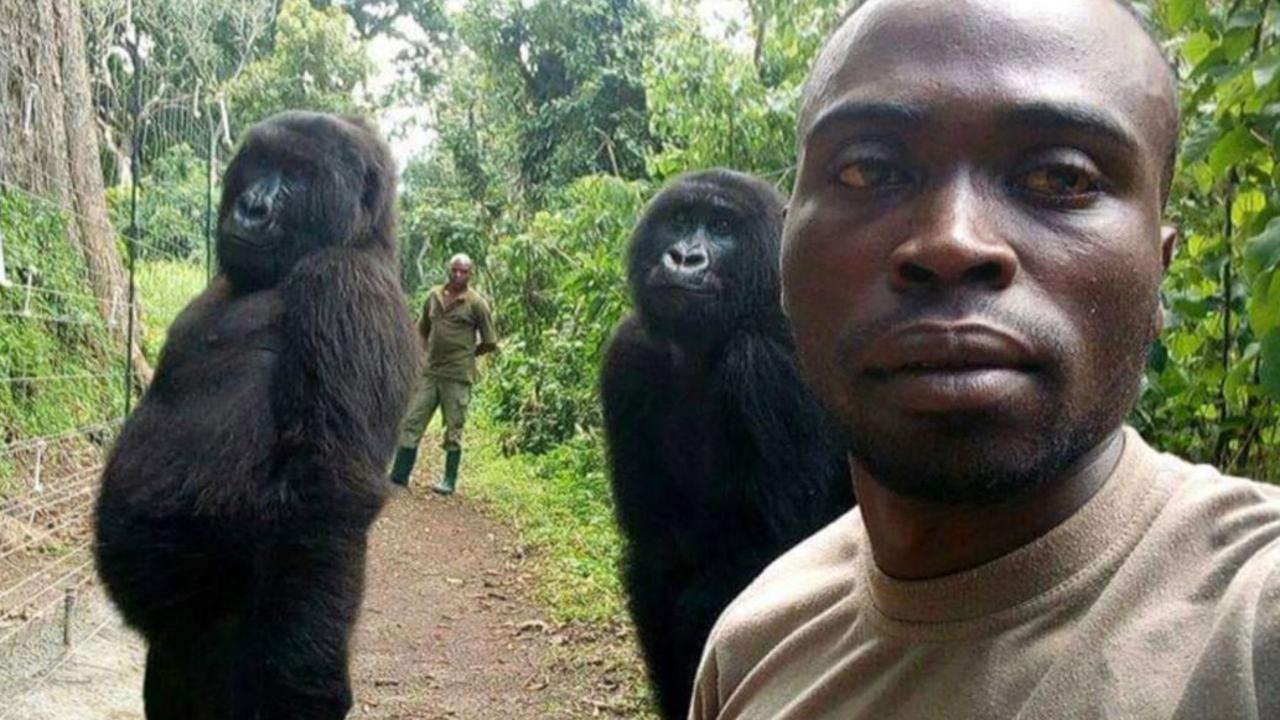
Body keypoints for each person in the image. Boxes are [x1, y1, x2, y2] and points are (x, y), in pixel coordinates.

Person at [689, 1, 1280, 719]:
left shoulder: (1255, 616)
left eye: (1062, 178)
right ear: (785, 261)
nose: (951, 241)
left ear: (1159, 272)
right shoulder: (754, 648)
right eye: (867, 171)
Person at [389, 253, 497, 494]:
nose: (458, 275)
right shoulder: (434, 296)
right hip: (430, 373)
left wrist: (468, 355)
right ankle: (399, 475)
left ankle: (448, 481)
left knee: (454, 428)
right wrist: (418, 358)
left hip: (457, 377)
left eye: (464, 272)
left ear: (471, 274)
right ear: (448, 270)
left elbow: (490, 341)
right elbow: (421, 331)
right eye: (455, 270)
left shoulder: (476, 304)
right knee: (411, 422)